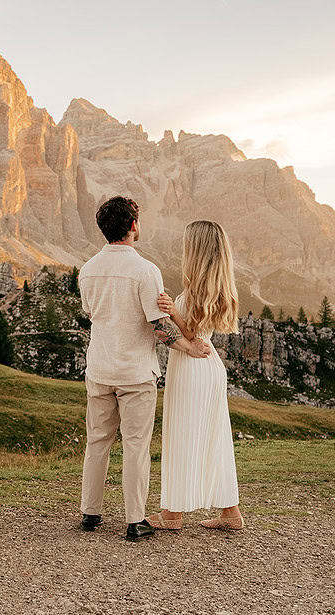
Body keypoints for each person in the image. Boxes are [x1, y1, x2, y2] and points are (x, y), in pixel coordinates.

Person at [78, 197, 212, 541]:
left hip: (99, 369)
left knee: (97, 442)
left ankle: (90, 514)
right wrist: (191, 347)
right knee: (135, 446)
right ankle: (134, 520)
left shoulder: (87, 269)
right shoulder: (145, 270)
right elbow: (160, 328)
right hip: (136, 373)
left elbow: (93, 313)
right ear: (133, 226)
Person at [146, 220, 243, 531]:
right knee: (216, 437)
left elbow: (191, 332)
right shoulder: (218, 285)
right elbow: (202, 332)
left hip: (191, 366)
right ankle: (231, 512)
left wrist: (172, 311)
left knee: (181, 433)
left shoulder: (195, 290)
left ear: (197, 250)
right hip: (211, 365)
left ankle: (172, 514)